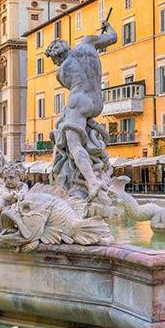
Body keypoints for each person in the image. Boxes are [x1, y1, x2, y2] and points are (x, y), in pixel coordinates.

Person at [45, 19, 118, 199]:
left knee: (73, 142)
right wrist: (107, 26)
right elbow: (113, 37)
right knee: (73, 129)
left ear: (57, 57)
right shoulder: (87, 43)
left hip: (79, 101)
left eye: (54, 60)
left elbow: (71, 87)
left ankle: (92, 182)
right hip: (97, 102)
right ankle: (93, 171)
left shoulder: (61, 71)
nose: (55, 63)